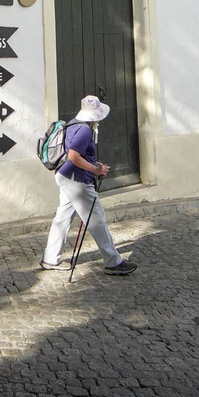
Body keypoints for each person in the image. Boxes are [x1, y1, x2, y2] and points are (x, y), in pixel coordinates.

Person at [40, 95, 138, 276]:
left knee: (63, 218)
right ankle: (113, 262)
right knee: (97, 219)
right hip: (76, 180)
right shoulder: (85, 130)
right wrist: (96, 170)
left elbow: (76, 154)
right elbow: (73, 157)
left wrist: (95, 164)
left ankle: (50, 258)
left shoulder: (73, 123)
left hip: (64, 175)